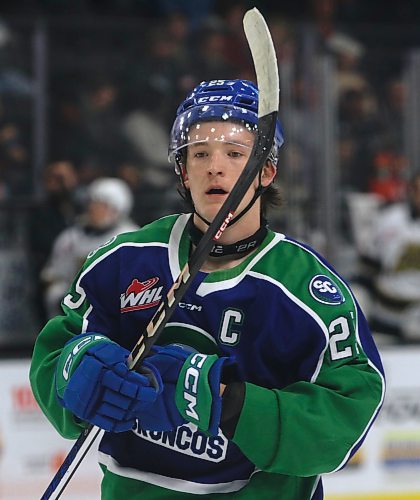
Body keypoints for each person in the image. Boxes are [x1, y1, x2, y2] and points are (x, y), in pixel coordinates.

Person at [30, 80, 385, 499]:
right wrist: (74, 368)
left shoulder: (305, 290)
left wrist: (227, 400)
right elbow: (55, 356)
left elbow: (345, 422)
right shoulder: (125, 260)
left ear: (265, 171)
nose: (215, 166)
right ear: (183, 170)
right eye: (199, 154)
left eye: (235, 154)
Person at [41, 176, 138, 318]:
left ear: (117, 209)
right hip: (75, 306)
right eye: (92, 202)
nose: (93, 208)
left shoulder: (132, 239)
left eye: (101, 204)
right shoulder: (70, 238)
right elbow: (54, 275)